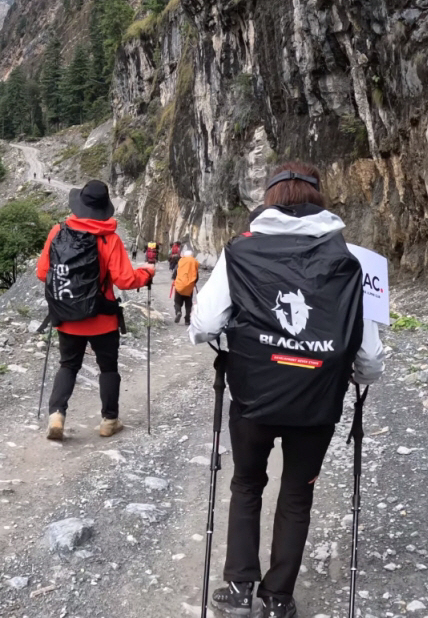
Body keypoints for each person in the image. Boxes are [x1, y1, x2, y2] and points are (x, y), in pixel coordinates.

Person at [190, 158, 383, 617]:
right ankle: (278, 598)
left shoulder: (241, 251)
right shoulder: (352, 260)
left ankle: (239, 589)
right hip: (317, 404)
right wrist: (353, 375)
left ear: (269, 199)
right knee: (297, 495)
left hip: (253, 399)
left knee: (246, 485)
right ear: (319, 199)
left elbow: (204, 324)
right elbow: (369, 358)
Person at [36, 178, 154, 442]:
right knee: (108, 368)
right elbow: (125, 280)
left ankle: (56, 415)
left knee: (68, 365)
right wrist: (146, 274)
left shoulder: (58, 232)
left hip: (67, 316)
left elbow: (43, 272)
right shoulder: (109, 239)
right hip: (102, 319)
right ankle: (109, 420)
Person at [173, 242, 199, 325]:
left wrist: (174, 279)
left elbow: (175, 273)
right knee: (188, 304)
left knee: (177, 302)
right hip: (189, 287)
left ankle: (178, 312)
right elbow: (196, 276)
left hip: (180, 285)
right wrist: (193, 282)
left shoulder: (181, 261)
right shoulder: (194, 262)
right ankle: (187, 319)